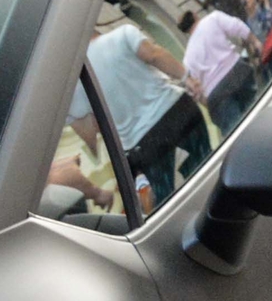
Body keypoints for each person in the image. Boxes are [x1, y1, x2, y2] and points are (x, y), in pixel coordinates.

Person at [85, 20, 210, 202]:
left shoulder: (81, 82)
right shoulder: (122, 34)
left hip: (144, 144)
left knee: (170, 200)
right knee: (208, 167)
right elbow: (154, 55)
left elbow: (93, 129)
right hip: (177, 112)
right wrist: (187, 78)